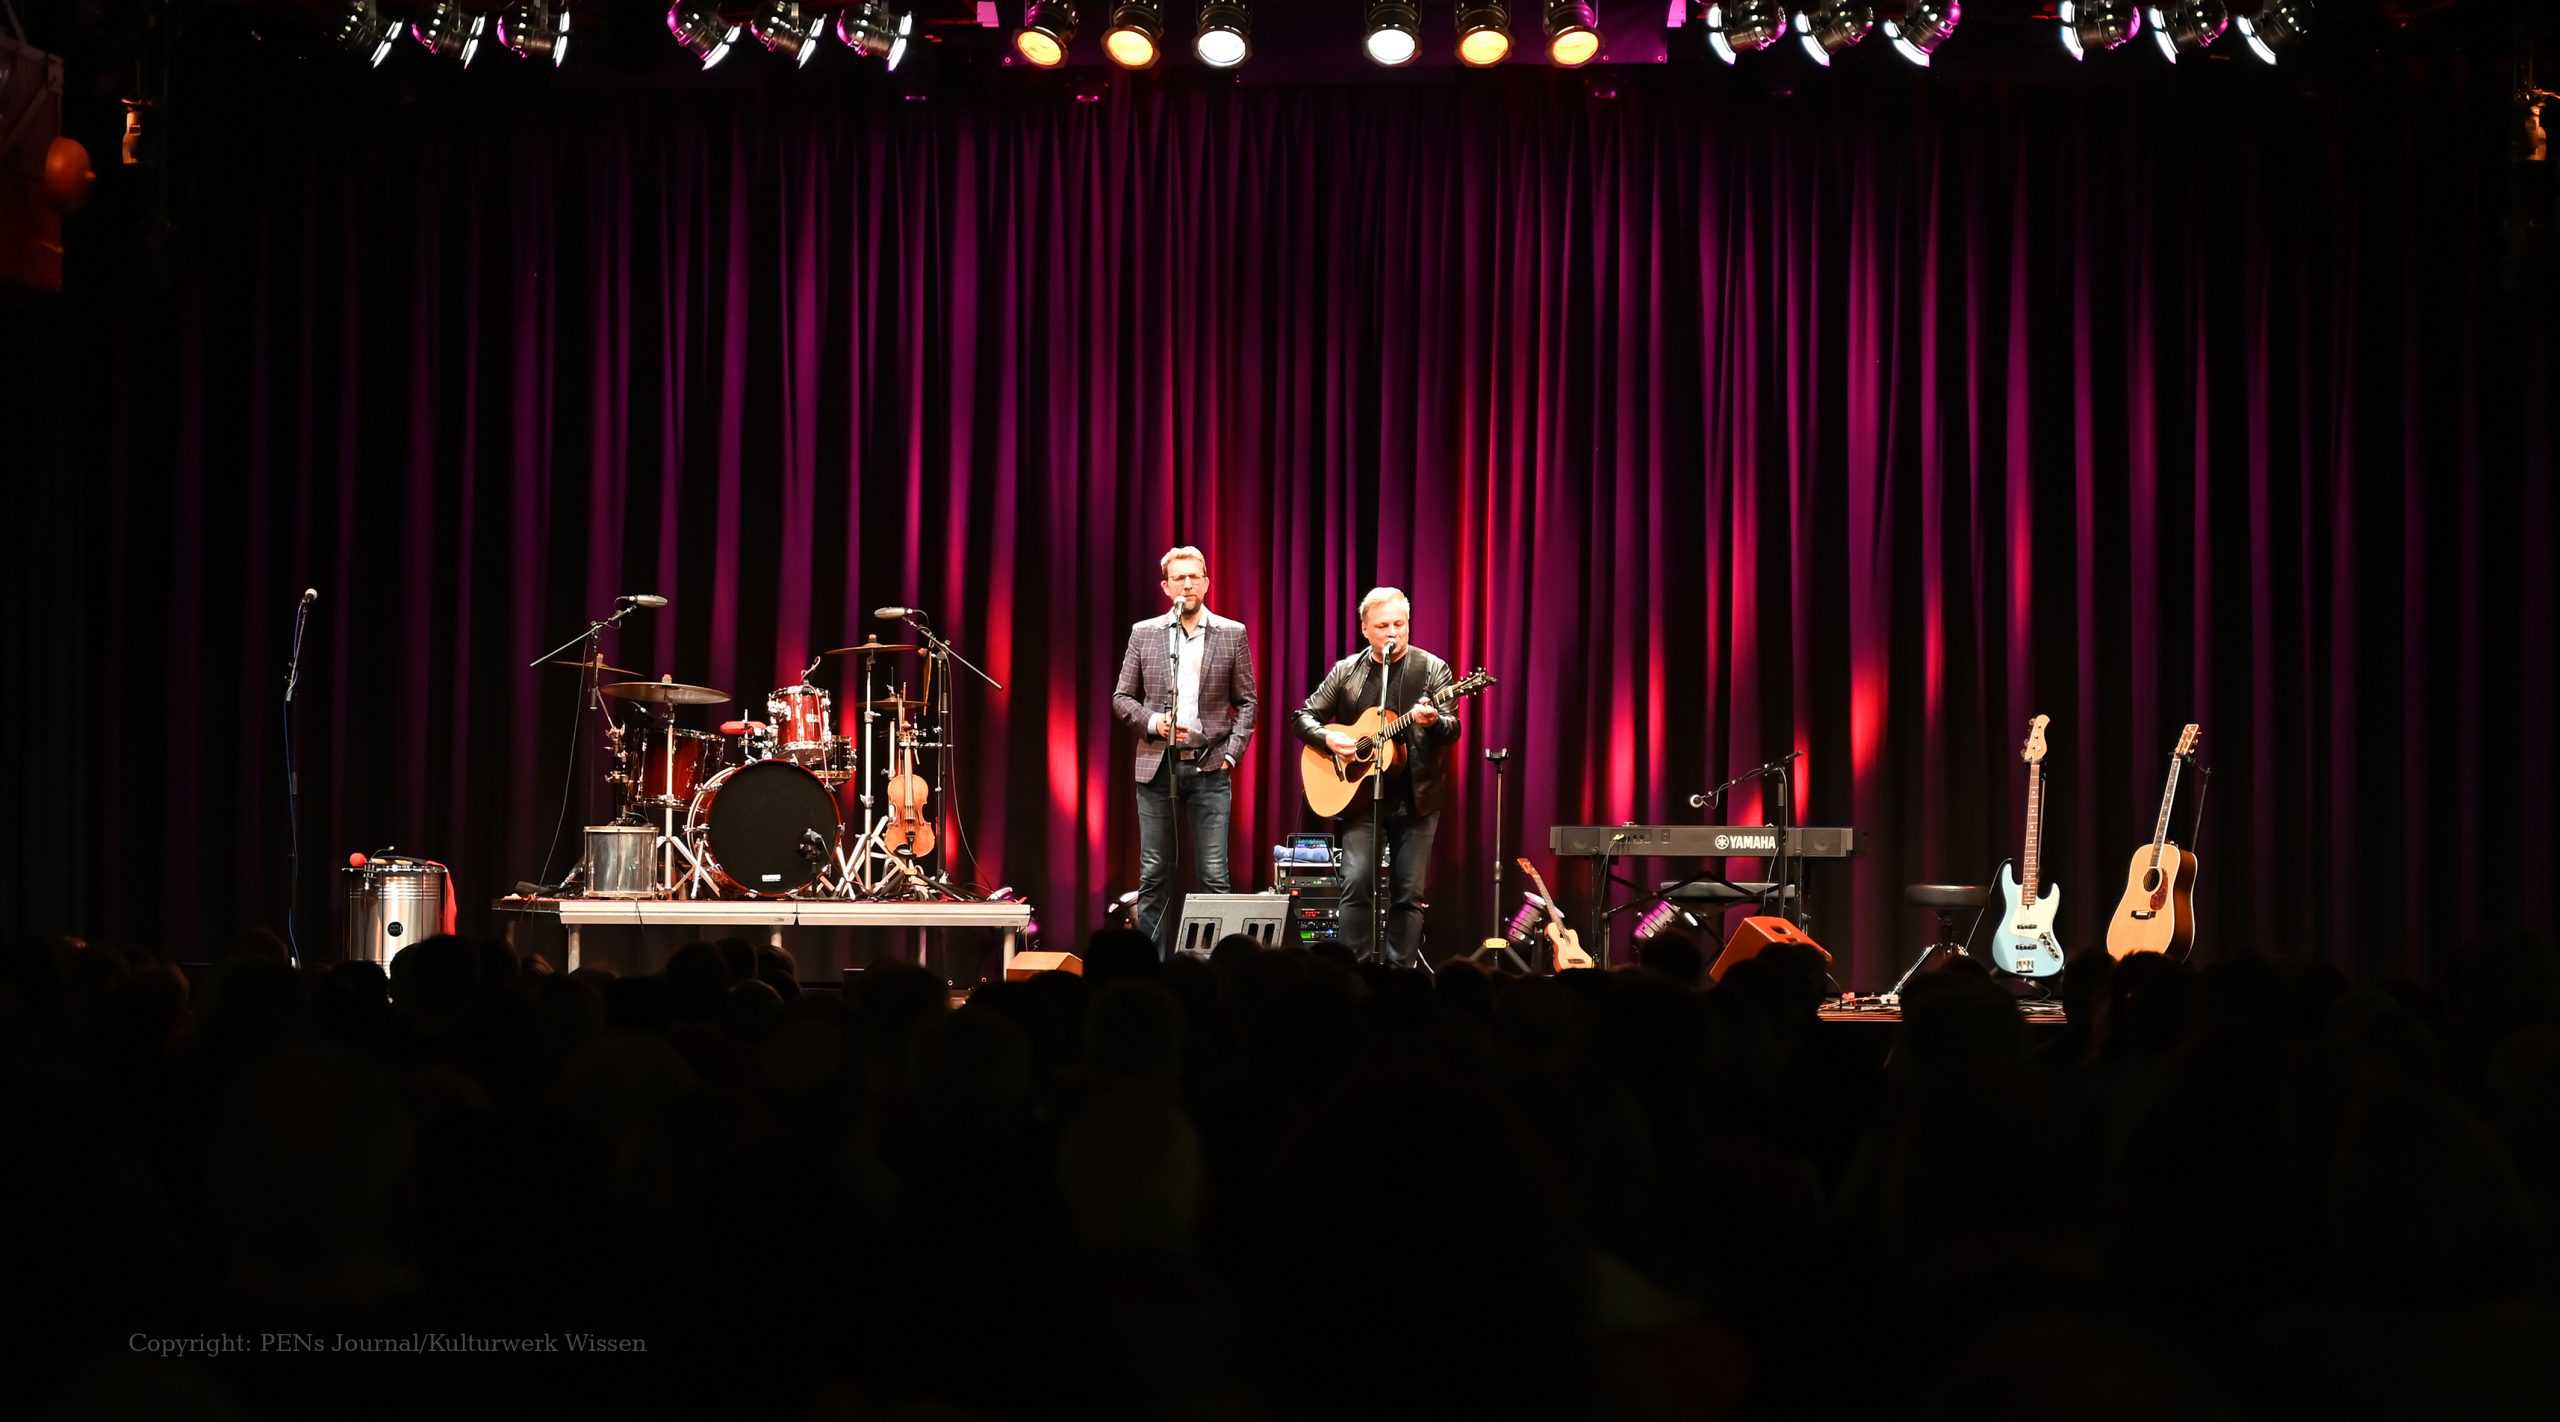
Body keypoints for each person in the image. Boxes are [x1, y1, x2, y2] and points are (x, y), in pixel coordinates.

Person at [1291, 587, 1461, 967]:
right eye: (1383, 626)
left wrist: (1433, 722)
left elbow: (1452, 728)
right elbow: (1303, 717)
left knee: (1409, 893)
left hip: (1417, 798)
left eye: (1400, 624)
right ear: (1365, 629)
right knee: (1356, 883)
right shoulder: (1347, 671)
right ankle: (1354, 973)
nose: (1393, 633)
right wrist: (1328, 738)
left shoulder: (1433, 669)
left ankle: (1399, 977)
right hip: (1361, 797)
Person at [1111, 546, 1259, 953]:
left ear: (1207, 582)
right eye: (1180, 578)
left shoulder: (1232, 633)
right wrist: (1154, 723)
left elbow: (1248, 701)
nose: (1188, 584)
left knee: (1214, 874)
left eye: (1195, 577)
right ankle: (1151, 969)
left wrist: (1232, 754)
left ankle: (1217, 969)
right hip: (1157, 768)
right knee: (1154, 874)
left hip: (1210, 768)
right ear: (1166, 586)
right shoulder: (1145, 633)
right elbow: (1122, 697)